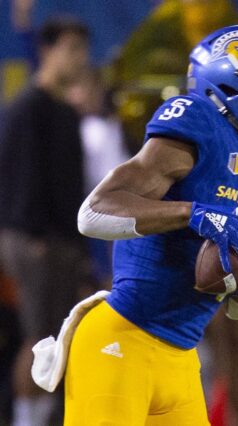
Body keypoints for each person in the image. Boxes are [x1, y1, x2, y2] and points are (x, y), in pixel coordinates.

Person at [37, 24, 238, 425]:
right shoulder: (197, 122)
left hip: (182, 357)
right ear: (232, 86)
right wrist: (195, 213)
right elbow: (93, 213)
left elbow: (231, 303)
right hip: (121, 342)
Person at [0, 16, 92, 426]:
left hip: (64, 242)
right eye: (71, 49)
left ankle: (50, 418)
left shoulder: (67, 112)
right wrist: (34, 237)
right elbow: (17, 177)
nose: (79, 59)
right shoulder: (27, 108)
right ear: (47, 52)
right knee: (37, 340)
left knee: (60, 339)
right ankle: (25, 420)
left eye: (83, 50)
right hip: (34, 242)